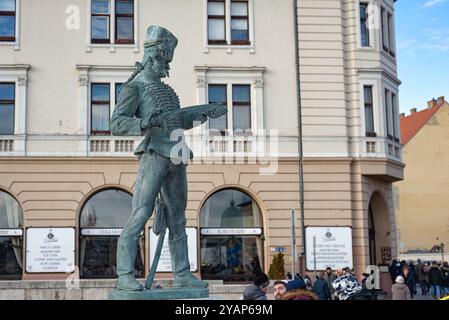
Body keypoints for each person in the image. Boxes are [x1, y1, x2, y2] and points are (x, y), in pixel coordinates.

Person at [111, 25, 226, 291]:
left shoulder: (166, 90)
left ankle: (182, 274)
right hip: (154, 154)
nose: (167, 66)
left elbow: (176, 122)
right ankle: (125, 274)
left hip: (176, 155)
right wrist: (143, 123)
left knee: (178, 219)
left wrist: (204, 112)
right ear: (154, 57)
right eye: (165, 60)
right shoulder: (135, 87)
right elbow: (116, 123)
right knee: (141, 212)